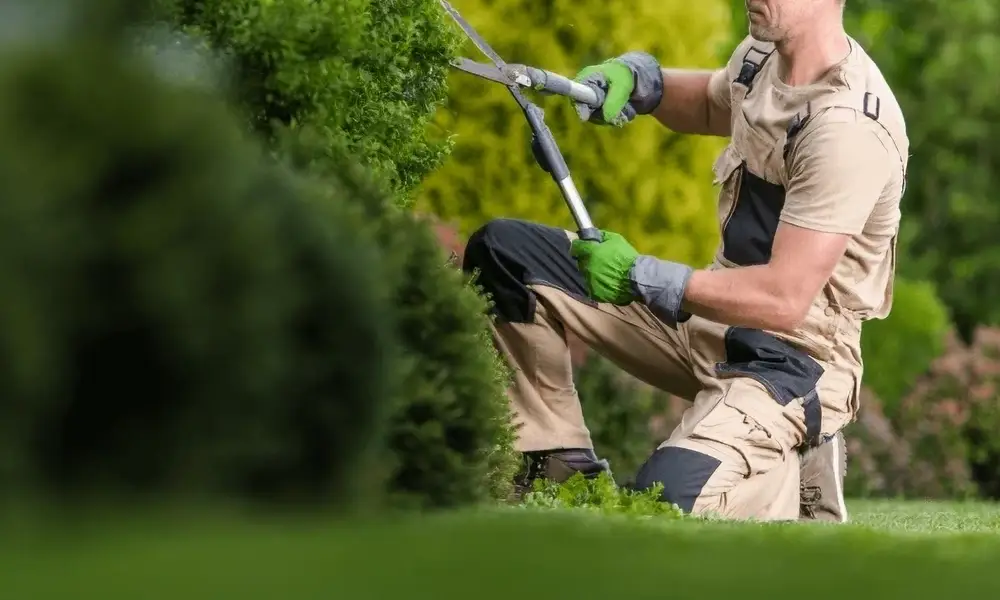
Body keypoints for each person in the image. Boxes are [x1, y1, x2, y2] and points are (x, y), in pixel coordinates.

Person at [462, 0, 908, 521]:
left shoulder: (847, 128)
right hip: (710, 321)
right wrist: (643, 82)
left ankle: (796, 470)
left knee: (666, 501)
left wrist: (638, 275)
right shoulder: (763, 55)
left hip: (792, 362)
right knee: (506, 255)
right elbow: (711, 105)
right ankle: (557, 468)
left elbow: (783, 300)